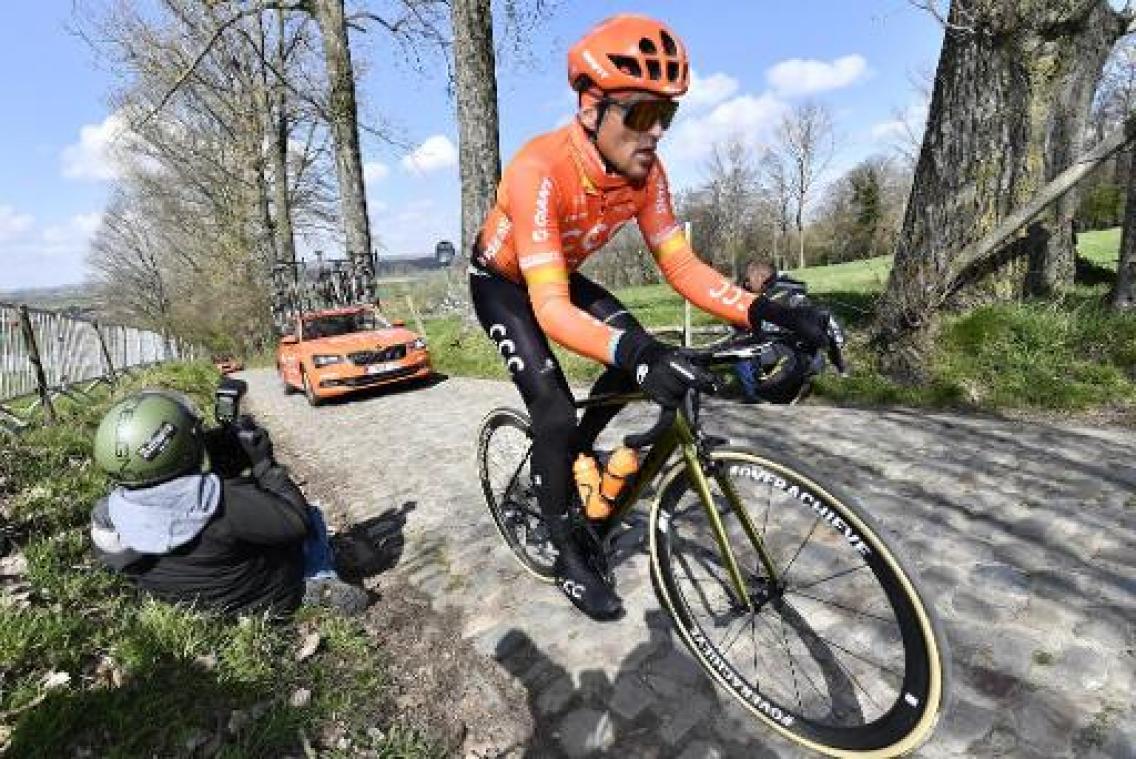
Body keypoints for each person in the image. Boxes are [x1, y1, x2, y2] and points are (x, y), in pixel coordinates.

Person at [468, 14, 833, 621]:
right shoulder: (539, 169)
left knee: (638, 347)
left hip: (557, 271)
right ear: (591, 109)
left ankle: (567, 464)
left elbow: (683, 268)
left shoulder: (645, 174)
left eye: (669, 115)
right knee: (556, 408)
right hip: (504, 284)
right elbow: (550, 308)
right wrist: (637, 358)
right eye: (640, 114)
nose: (656, 131)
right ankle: (567, 551)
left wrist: (769, 313)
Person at [89, 389, 368, 617]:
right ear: (184, 448)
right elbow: (296, 521)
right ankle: (320, 578)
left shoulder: (108, 517)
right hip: (263, 600)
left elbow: (173, 525)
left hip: (187, 608)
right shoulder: (222, 501)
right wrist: (264, 465)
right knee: (313, 515)